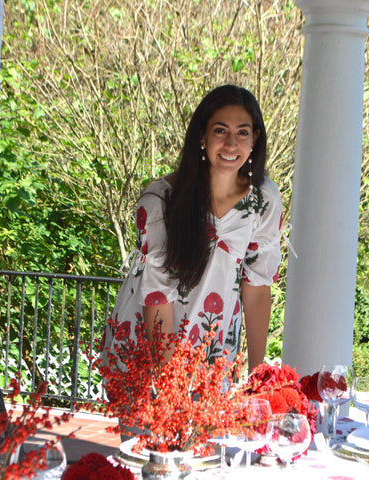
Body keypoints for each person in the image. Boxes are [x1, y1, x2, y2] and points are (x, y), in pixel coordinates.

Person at [103, 84, 282, 374]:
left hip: (213, 350)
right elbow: (157, 297)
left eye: (242, 133)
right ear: (202, 135)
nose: (231, 144)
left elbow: (258, 285)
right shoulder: (161, 201)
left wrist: (257, 374)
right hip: (148, 346)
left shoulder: (263, 199)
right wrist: (167, 382)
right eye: (220, 131)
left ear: (255, 138)